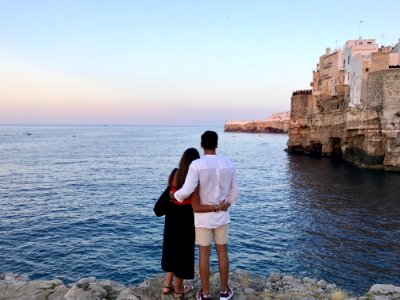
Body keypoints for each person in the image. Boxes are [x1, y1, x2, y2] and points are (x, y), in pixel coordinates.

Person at [171, 131, 238, 300]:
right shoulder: (228, 163)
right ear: (217, 144)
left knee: (204, 255)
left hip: (203, 219)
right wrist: (224, 205)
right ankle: (224, 292)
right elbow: (234, 192)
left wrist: (175, 196)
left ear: (201, 145)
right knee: (223, 252)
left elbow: (187, 190)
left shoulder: (196, 165)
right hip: (222, 216)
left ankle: (205, 293)